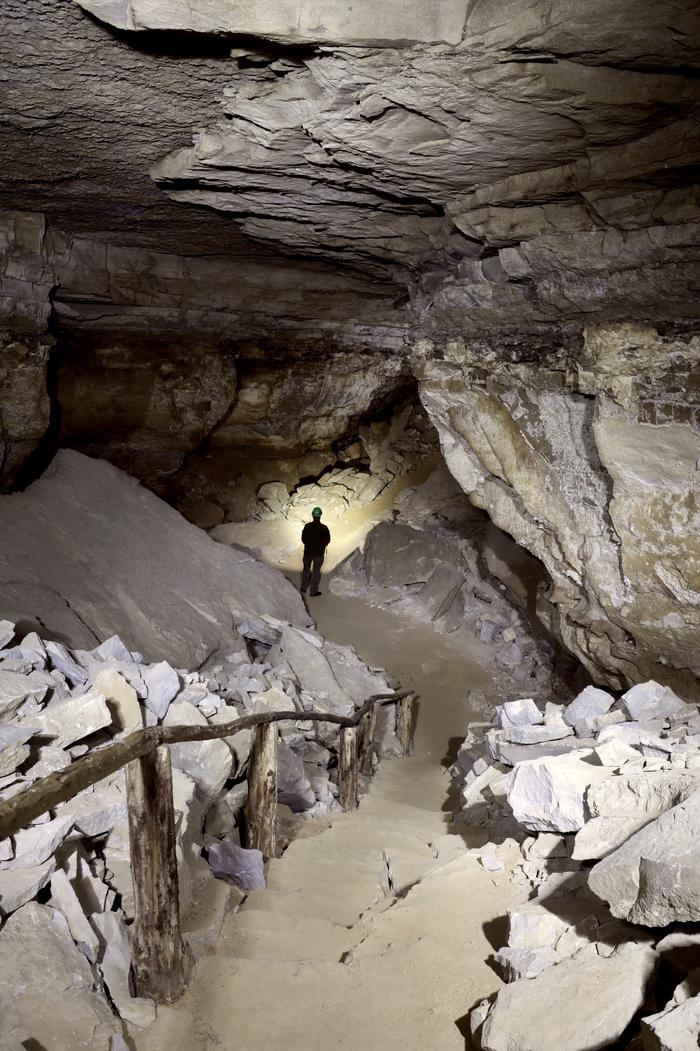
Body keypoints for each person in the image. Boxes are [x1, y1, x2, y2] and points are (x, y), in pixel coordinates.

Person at [300, 506, 330, 596]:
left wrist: (309, 544)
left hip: (308, 553)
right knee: (316, 572)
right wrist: (321, 546)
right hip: (319, 554)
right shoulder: (324, 528)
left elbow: (303, 539)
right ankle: (313, 592)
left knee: (306, 570)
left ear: (312, 515)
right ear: (320, 515)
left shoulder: (307, 526)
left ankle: (304, 588)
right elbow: (328, 540)